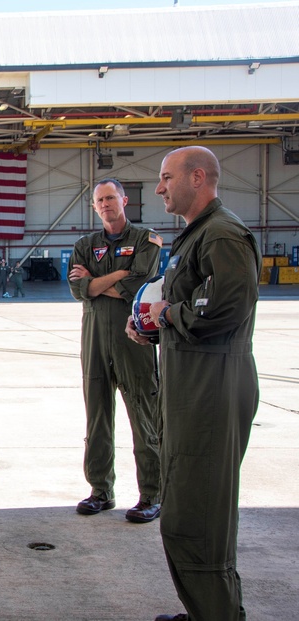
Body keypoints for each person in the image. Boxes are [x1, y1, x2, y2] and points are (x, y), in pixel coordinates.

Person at [127, 146, 261, 621]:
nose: (159, 188)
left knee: (199, 521)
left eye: (166, 178)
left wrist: (168, 315)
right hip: (192, 387)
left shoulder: (222, 236)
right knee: (185, 512)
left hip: (212, 390)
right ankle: (206, 612)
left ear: (197, 177)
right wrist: (155, 325)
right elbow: (187, 304)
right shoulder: (195, 235)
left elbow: (225, 309)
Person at [67, 178, 163, 524]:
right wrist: (116, 276)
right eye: (99, 200)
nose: (106, 204)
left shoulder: (145, 239)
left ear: (124, 200)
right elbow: (79, 290)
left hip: (132, 338)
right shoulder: (84, 245)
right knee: (97, 417)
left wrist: (96, 281)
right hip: (94, 340)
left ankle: (152, 494)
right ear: (94, 207)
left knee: (143, 415)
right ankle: (101, 491)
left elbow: (138, 285)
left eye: (111, 198)